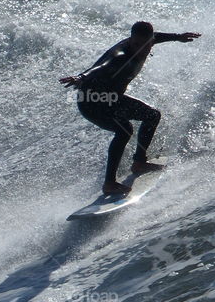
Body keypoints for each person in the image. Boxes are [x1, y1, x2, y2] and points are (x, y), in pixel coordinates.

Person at [60, 21, 200, 196]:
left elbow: (158, 36)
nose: (140, 48)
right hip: (91, 101)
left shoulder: (148, 41)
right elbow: (99, 66)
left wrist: (177, 37)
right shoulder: (120, 54)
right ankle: (109, 183)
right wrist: (81, 76)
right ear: (131, 39)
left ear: (150, 41)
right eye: (136, 44)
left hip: (112, 98)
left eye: (145, 44)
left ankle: (139, 162)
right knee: (124, 130)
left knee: (152, 115)